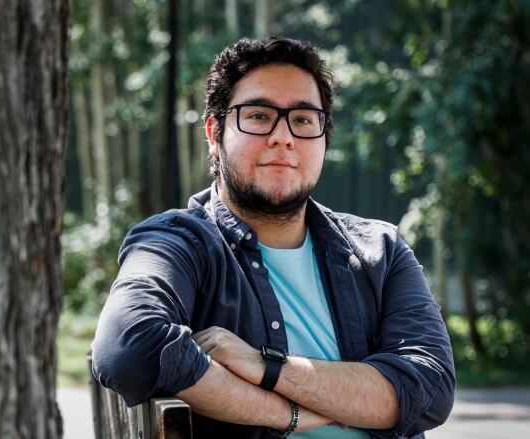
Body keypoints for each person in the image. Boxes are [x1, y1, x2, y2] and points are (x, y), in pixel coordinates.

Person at [91, 37, 455, 438]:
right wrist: (287, 415)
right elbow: (128, 345)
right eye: (259, 115)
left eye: (302, 119)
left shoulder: (380, 251)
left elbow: (429, 387)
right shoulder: (177, 243)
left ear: (324, 139)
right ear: (215, 133)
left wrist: (268, 367)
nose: (283, 136)